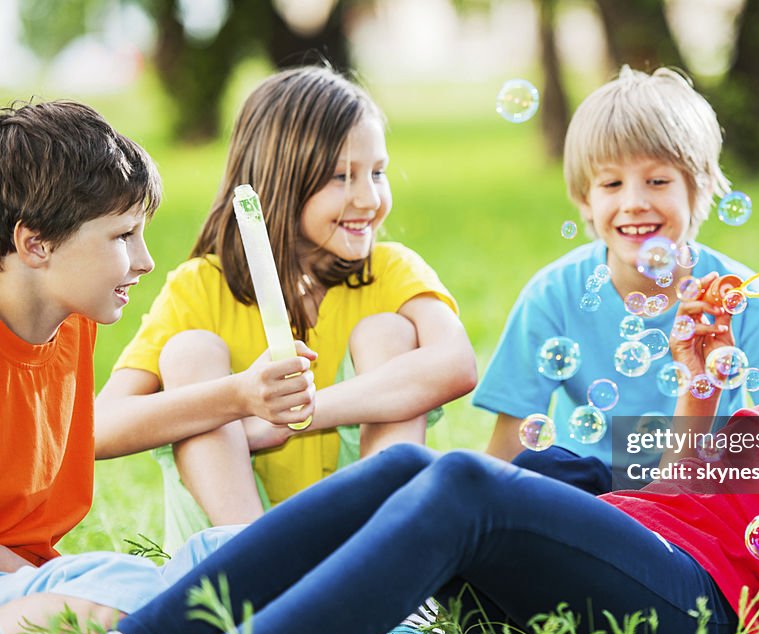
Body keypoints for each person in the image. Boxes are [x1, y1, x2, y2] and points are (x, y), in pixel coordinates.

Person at [34, 165, 759, 634]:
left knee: (461, 483)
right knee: (414, 477)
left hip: (694, 612)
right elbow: (658, 474)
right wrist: (694, 387)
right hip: (633, 563)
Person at [94, 66, 477, 544]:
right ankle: (253, 564)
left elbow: (456, 363)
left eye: (377, 172)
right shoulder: (201, 286)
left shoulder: (391, 270)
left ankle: (387, 560)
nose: (368, 197)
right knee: (189, 352)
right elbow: (98, 428)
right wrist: (233, 401)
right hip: (229, 543)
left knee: (387, 333)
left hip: (357, 536)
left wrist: (297, 413)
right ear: (281, 180)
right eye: (342, 177)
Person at [473, 66, 759, 494]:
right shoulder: (553, 295)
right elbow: (508, 455)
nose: (634, 202)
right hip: (589, 496)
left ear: (697, 190)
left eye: (657, 180)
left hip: (699, 494)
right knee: (544, 466)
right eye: (611, 183)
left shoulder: (739, 299)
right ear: (584, 200)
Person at [0, 100, 241, 634]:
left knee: (227, 552)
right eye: (122, 236)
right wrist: (52, 586)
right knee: (120, 595)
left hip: (40, 580)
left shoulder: (73, 324)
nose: (146, 260)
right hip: (26, 589)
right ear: (35, 243)